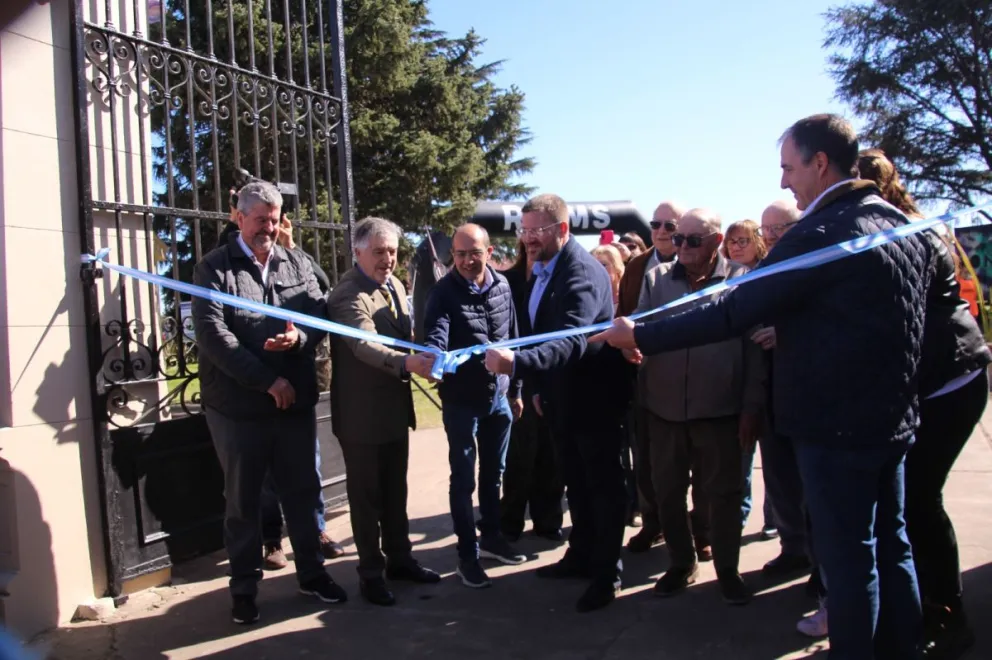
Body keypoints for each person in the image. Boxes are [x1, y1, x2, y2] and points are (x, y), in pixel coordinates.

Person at [593, 114, 934, 658]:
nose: (783, 182)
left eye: (788, 167)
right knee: (891, 547)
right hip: (892, 419)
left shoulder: (821, 233)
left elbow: (734, 311)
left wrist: (643, 334)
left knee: (849, 560)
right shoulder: (898, 224)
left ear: (820, 163)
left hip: (836, 427)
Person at [192, 181, 347, 625]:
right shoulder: (214, 269)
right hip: (238, 411)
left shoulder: (295, 261)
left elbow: (321, 315)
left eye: (275, 220)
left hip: (294, 406)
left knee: (302, 494)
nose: (269, 227)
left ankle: (312, 575)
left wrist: (300, 337)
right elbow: (212, 336)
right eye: (260, 219)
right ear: (237, 218)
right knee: (242, 505)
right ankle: (244, 589)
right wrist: (266, 381)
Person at [859, 148, 991, 658]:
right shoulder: (898, 228)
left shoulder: (901, 234)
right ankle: (923, 606)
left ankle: (949, 614)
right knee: (909, 499)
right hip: (935, 379)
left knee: (918, 497)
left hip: (949, 381)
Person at [484, 193, 632, 613]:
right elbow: (537, 328)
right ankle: (581, 556)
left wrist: (518, 364)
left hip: (594, 400)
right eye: (524, 230)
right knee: (577, 483)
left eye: (536, 231)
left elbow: (571, 339)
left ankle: (607, 574)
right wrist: (537, 387)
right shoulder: (541, 268)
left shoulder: (580, 273)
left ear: (562, 231)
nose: (527, 239)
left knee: (603, 487)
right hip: (560, 398)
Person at [635, 209, 764, 605]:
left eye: (692, 240)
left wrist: (751, 408)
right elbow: (640, 333)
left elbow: (756, 351)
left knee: (723, 494)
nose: (683, 247)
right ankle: (681, 562)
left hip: (721, 411)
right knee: (667, 491)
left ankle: (727, 570)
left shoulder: (743, 282)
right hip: (664, 411)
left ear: (716, 240)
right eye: (678, 240)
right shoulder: (656, 280)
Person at [326, 216, 441, 607]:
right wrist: (409, 364)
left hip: (393, 411)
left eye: (392, 251)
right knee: (366, 500)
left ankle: (400, 560)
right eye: (379, 252)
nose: (388, 259)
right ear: (357, 252)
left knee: (396, 493)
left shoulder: (393, 285)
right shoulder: (347, 294)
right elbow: (364, 346)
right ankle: (370, 575)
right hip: (361, 418)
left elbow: (404, 335)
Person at [423, 224, 528, 589]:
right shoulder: (443, 292)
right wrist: (436, 358)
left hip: (499, 399)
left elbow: (513, 338)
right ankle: (468, 554)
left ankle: (493, 538)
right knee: (463, 479)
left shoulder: (502, 286)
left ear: (488, 252)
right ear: (453, 254)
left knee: (494, 473)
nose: (468, 260)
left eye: (475, 253)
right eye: (460, 254)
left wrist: (515, 389)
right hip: (461, 402)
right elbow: (436, 333)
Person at [616, 201, 685, 553]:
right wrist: (627, 347)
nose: (660, 231)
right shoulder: (636, 267)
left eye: (669, 226)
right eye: (656, 224)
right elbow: (624, 315)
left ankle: (699, 532)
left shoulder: (700, 264)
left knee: (696, 463)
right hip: (644, 378)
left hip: (694, 378)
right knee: (646, 458)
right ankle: (652, 522)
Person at [499, 241, 565, 543]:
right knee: (519, 457)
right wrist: (514, 386)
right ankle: (510, 521)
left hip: (549, 372)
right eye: (528, 246)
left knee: (550, 455)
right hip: (517, 373)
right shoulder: (509, 282)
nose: (534, 251)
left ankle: (548, 521)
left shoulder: (556, 279)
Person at [719, 220, 775, 539]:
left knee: (771, 458)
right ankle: (738, 516)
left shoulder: (768, 276)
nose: (737, 247)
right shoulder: (724, 279)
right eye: (732, 242)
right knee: (740, 457)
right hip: (735, 380)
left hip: (770, 374)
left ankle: (774, 517)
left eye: (743, 240)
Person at [592, 244, 640, 527]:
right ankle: (621, 505)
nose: (601, 270)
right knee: (617, 453)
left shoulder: (630, 297)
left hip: (634, 382)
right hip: (604, 386)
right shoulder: (589, 298)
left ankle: (638, 506)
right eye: (595, 264)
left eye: (606, 264)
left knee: (637, 450)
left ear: (618, 268)